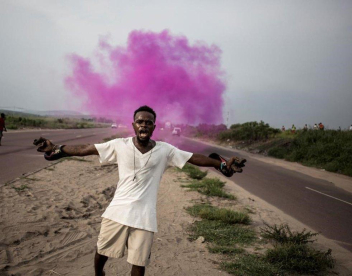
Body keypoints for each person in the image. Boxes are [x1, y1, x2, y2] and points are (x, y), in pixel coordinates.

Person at [33, 106, 245, 276]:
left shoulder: (165, 150)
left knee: (139, 263)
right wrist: (56, 150)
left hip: (145, 216)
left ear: (154, 126)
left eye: (148, 122)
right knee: (101, 251)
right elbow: (84, 149)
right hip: (117, 211)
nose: (144, 125)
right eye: (140, 121)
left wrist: (221, 165)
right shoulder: (119, 145)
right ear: (133, 125)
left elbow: (193, 158)